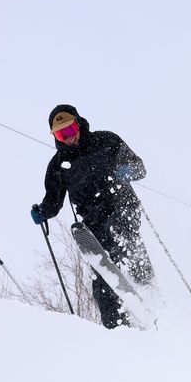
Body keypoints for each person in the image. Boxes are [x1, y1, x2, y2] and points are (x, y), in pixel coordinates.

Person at [31, 104, 152, 328]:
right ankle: (116, 327)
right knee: (101, 279)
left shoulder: (106, 141)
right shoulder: (58, 164)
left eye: (70, 129)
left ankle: (151, 294)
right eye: (61, 134)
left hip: (121, 208)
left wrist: (127, 170)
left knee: (125, 242)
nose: (68, 138)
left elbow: (139, 167)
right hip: (93, 222)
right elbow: (53, 201)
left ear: (79, 123)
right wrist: (43, 211)